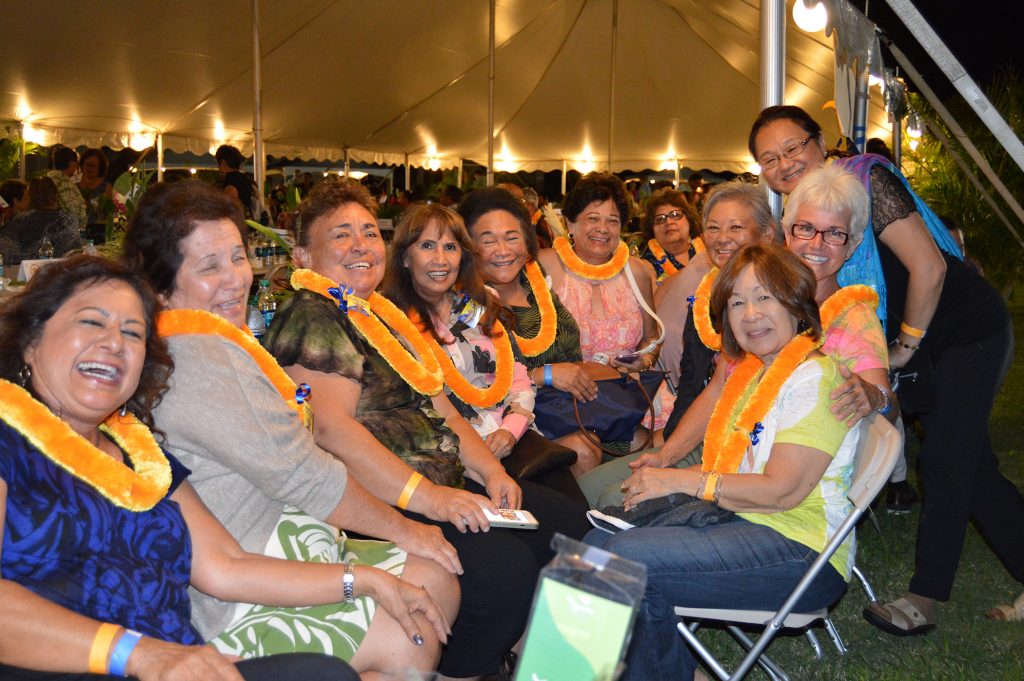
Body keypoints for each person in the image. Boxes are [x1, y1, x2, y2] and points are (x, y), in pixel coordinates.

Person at [120, 180, 458, 676]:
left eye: (237, 257)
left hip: (274, 534)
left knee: (436, 579)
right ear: (160, 286)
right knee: (418, 622)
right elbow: (306, 472)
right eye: (209, 266)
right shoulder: (199, 352)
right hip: (239, 579)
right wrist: (412, 527)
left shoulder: (198, 341)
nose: (235, 279)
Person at [0, 255, 388, 681]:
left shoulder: (143, 456)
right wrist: (139, 654)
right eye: (92, 322)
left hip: (177, 664)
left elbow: (227, 564)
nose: (115, 343)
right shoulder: (7, 439)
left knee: (327, 673)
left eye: (134, 333)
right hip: (69, 667)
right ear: (30, 341)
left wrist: (363, 580)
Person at [265, 180, 590, 680]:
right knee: (505, 570)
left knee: (570, 525)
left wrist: (490, 473)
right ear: (304, 254)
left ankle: (552, 666)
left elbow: (444, 411)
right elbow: (330, 431)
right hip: (385, 496)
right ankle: (463, 671)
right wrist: (432, 499)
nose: (360, 246)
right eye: (342, 235)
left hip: (445, 479)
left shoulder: (383, 315)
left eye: (370, 233)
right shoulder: (313, 313)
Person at [750, 104, 1024, 634]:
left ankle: (923, 598)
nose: (785, 162)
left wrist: (902, 349)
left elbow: (930, 266)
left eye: (794, 147)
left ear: (819, 140)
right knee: (974, 469)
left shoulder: (866, 179)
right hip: (917, 342)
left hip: (964, 330)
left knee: (945, 457)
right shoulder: (800, 219)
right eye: (769, 158)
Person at [585, 243, 860, 681]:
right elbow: (735, 466)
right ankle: (574, 667)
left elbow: (781, 491)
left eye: (765, 296)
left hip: (801, 552)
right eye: (737, 302)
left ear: (797, 303)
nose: (751, 314)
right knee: (594, 545)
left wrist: (679, 481)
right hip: (748, 523)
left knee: (622, 560)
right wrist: (662, 478)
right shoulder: (757, 372)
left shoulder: (814, 378)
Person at [579, 182, 775, 506]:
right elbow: (708, 387)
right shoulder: (708, 296)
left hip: (740, 454)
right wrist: (666, 452)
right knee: (584, 488)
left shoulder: (772, 303)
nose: (721, 237)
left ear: (766, 234)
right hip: (695, 437)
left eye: (735, 227)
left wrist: (673, 464)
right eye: (713, 227)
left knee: (613, 500)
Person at [459, 187, 600, 481]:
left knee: (641, 437)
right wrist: (546, 374)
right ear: (467, 246)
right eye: (488, 240)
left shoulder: (536, 284)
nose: (503, 250)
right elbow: (477, 384)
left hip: (575, 407)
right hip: (517, 421)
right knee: (585, 449)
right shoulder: (465, 305)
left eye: (512, 237)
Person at [535, 172, 671, 466]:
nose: (603, 229)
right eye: (592, 218)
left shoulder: (635, 271)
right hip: (566, 397)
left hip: (628, 393)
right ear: (570, 222)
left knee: (667, 443)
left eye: (612, 220)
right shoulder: (546, 265)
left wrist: (643, 361)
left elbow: (651, 338)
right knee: (586, 448)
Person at [1, 176, 82, 264]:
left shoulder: (19, 220)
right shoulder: (68, 220)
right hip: (59, 271)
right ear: (56, 195)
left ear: (31, 197)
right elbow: (75, 253)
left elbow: (8, 253)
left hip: (23, 271)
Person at [639, 188, 702, 284]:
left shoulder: (707, 252)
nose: (668, 222)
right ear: (652, 229)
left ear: (689, 220)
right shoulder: (647, 266)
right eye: (660, 219)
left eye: (675, 215)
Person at [46, 145, 87, 230]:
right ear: (71, 163)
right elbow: (72, 210)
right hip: (63, 231)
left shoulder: (51, 179)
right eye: (76, 161)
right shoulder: (62, 183)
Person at [78, 147, 115, 238]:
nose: (89, 168)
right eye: (87, 164)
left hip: (99, 231)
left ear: (100, 167)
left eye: (93, 166)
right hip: (77, 228)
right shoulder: (75, 182)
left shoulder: (107, 186)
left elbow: (111, 211)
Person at [215, 144, 254, 217]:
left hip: (239, 225)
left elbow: (228, 211)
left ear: (223, 163)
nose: (218, 168)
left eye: (218, 164)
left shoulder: (230, 181)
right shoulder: (247, 179)